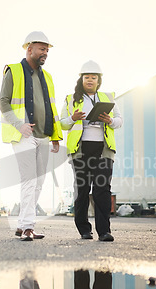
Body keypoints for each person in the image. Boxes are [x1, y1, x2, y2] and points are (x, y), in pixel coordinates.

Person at [0, 31, 63, 241]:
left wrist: (55, 135)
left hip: (43, 134)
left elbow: (51, 108)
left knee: (39, 182)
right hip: (23, 134)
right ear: (29, 49)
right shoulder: (14, 70)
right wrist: (19, 125)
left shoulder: (48, 77)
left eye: (47, 50)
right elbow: (3, 102)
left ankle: (22, 224)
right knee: (29, 179)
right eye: (42, 49)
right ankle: (28, 227)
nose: (45, 53)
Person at [60, 60, 123, 242]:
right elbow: (62, 124)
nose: (90, 80)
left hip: (103, 150)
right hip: (80, 150)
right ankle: (84, 230)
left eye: (93, 77)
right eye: (86, 77)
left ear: (98, 80)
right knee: (82, 189)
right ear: (81, 79)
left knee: (102, 190)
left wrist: (109, 121)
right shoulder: (71, 99)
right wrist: (73, 118)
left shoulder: (108, 98)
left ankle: (104, 231)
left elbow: (119, 120)